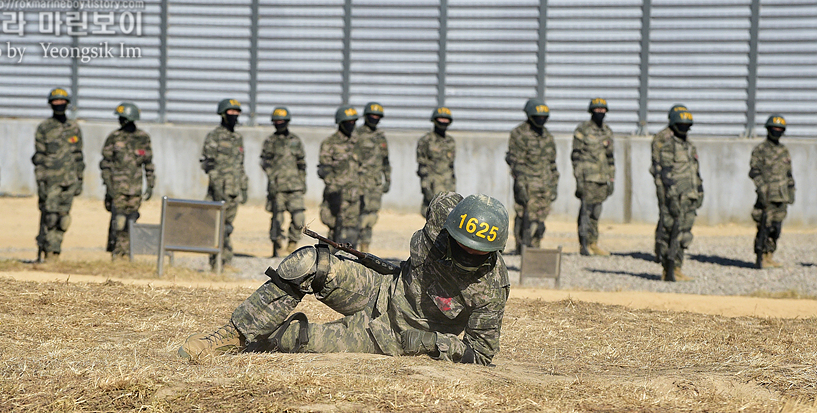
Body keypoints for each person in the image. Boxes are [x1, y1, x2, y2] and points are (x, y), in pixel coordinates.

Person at [178, 192, 510, 366]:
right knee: (309, 262)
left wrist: (434, 344)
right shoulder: (444, 217)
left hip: (389, 339)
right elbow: (448, 197)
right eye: (462, 244)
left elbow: (480, 355)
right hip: (380, 288)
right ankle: (227, 338)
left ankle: (271, 336)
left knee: (294, 340)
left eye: (479, 251)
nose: (469, 253)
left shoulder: (492, 289)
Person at [32, 87, 85, 262]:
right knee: (51, 216)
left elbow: (78, 156)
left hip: (69, 180)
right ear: (51, 104)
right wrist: (40, 181)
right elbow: (38, 157)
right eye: (56, 101)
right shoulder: (44, 128)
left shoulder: (74, 128)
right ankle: (47, 250)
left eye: (62, 101)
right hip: (50, 181)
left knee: (63, 218)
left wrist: (79, 180)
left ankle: (56, 251)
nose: (59, 104)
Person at [652, 107, 703, 281]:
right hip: (673, 195)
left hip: (690, 195)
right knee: (670, 231)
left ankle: (678, 267)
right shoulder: (667, 144)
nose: (684, 128)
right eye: (681, 124)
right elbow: (664, 172)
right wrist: (670, 196)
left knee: (684, 233)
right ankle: (668, 267)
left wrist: (700, 191)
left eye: (687, 125)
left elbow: (695, 171)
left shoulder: (689, 146)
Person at [99, 102, 155, 259]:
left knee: (132, 219)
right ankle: (117, 252)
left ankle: (128, 251)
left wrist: (150, 184)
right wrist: (108, 185)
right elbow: (105, 164)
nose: (120, 121)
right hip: (118, 188)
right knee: (119, 220)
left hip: (135, 188)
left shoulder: (143, 138)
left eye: (122, 118)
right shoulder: (114, 138)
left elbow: (149, 163)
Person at [202, 98, 248, 267]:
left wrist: (244, 186)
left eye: (237, 112)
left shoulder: (238, 138)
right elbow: (208, 165)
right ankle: (217, 261)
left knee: (228, 226)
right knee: (216, 226)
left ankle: (225, 260)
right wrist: (217, 188)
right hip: (218, 190)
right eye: (231, 112)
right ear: (223, 114)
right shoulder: (214, 136)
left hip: (233, 190)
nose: (234, 115)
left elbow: (241, 165)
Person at [506, 98, 558, 250]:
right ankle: (521, 247)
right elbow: (516, 162)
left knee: (540, 219)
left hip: (544, 185)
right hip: (527, 184)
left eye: (544, 117)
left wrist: (554, 184)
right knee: (524, 217)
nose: (541, 120)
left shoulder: (547, 136)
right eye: (538, 117)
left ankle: (535, 248)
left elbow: (552, 163)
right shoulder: (519, 133)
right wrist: (521, 185)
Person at [749, 115, 795, 268]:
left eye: (780, 129)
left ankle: (770, 255)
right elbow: (754, 171)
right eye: (774, 129)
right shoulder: (760, 150)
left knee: (776, 228)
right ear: (768, 129)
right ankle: (760, 256)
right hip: (767, 196)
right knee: (764, 226)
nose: (777, 131)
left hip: (781, 196)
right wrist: (761, 187)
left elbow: (788, 173)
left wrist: (791, 190)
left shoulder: (783, 150)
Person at [260, 106, 306, 257]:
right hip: (278, 188)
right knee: (277, 219)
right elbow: (265, 162)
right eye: (277, 121)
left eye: (282, 121)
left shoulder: (295, 140)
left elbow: (301, 163)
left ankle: (292, 244)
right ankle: (277, 246)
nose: (279, 123)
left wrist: (303, 181)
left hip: (295, 187)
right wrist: (273, 179)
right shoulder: (270, 141)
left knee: (299, 218)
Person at [572, 97, 615, 256]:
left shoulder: (607, 131)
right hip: (587, 178)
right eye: (597, 110)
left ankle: (593, 243)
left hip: (602, 179)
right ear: (591, 111)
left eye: (603, 110)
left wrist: (611, 179)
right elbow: (575, 156)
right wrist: (578, 180)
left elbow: (610, 158)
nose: (600, 112)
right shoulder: (582, 130)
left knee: (596, 213)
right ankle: (583, 244)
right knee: (585, 212)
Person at [318, 105, 362, 245]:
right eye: (348, 123)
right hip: (336, 194)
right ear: (340, 123)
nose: (351, 125)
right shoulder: (329, 143)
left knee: (352, 230)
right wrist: (332, 183)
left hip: (354, 194)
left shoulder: (359, 142)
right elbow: (324, 168)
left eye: (353, 122)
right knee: (333, 229)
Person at [651, 104, 689, 263]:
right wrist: (665, 183)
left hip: (680, 184)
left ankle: (669, 250)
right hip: (664, 182)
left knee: (677, 219)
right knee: (666, 216)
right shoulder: (662, 137)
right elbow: (657, 162)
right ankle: (660, 250)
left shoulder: (682, 137)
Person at [354, 102, 392, 252]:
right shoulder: (356, 135)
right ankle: (352, 245)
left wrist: (387, 179)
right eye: (372, 116)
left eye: (377, 117)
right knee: (357, 214)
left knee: (371, 216)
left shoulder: (380, 136)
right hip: (359, 182)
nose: (375, 119)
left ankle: (365, 246)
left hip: (375, 183)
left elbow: (385, 160)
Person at [416, 107, 456, 218]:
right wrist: (425, 188)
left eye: (446, 119)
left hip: (447, 186)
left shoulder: (451, 142)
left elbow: (451, 167)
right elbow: (422, 167)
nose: (443, 121)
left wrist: (453, 188)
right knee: (432, 217)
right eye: (440, 118)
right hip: (433, 185)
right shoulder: (426, 140)